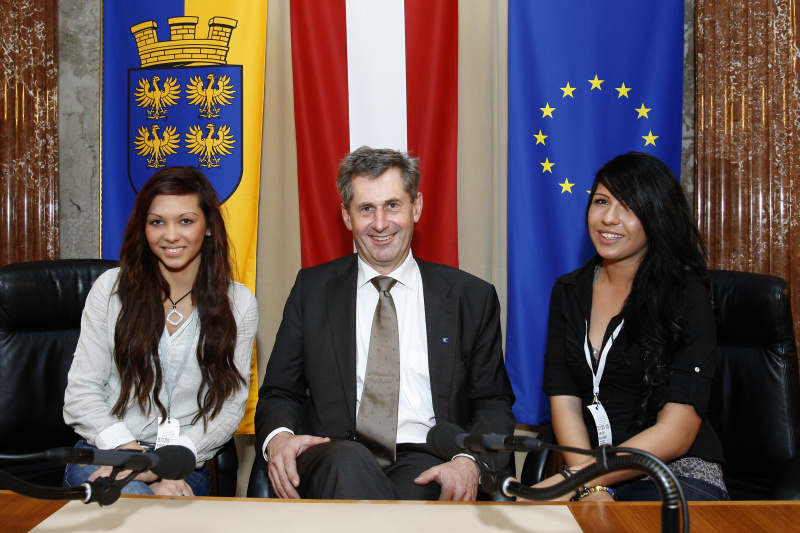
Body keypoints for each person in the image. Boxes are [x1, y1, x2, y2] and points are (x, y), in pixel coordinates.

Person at [254, 146, 515, 501]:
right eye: (366, 209)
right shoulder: (311, 290)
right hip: (333, 454)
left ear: (416, 207)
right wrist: (280, 438)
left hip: (426, 458)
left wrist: (469, 461)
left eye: (393, 205)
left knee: (418, 493)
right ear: (347, 217)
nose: (380, 224)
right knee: (349, 464)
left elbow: (493, 403)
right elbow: (279, 392)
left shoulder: (472, 297)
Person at [537, 152, 728, 502]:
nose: (609, 218)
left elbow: (677, 432)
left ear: (657, 216)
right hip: (590, 471)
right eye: (601, 201)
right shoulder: (568, 291)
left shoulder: (685, 294)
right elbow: (564, 399)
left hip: (673, 472)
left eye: (628, 207)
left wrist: (579, 478)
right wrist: (590, 485)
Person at [63, 166, 258, 496]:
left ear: (209, 226)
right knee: (133, 496)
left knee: (144, 503)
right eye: (157, 222)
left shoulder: (238, 303)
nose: (170, 234)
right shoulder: (110, 290)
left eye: (185, 221)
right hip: (106, 452)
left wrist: (164, 464)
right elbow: (81, 395)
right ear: (144, 227)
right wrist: (135, 459)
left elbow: (227, 410)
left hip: (181, 465)